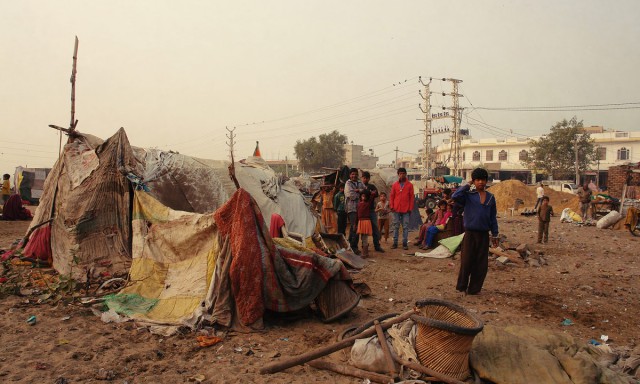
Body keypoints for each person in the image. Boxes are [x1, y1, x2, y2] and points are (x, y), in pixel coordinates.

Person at [452, 168, 499, 295]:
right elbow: (455, 196)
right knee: (466, 261)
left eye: (483, 180)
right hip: (470, 234)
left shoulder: (490, 198)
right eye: (477, 180)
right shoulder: (468, 196)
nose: (481, 182)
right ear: (474, 181)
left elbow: (492, 217)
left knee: (481, 264)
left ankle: (474, 289)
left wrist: (495, 234)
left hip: (483, 235)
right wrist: (467, 185)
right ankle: (462, 286)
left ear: (486, 181)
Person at [389, 167, 414, 250]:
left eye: (403, 173)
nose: (402, 175)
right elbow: (392, 196)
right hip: (396, 209)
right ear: (398, 175)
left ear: (405, 174)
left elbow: (411, 198)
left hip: (406, 209)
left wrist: (410, 208)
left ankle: (404, 244)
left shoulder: (410, 185)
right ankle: (395, 243)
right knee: (395, 226)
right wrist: (392, 206)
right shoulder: (395, 185)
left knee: (405, 227)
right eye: (400, 173)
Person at [361, 171, 384, 253]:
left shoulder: (372, 186)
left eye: (367, 178)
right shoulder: (360, 186)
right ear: (362, 178)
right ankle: (364, 246)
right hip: (363, 211)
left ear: (369, 178)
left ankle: (377, 246)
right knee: (363, 229)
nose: (365, 179)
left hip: (371, 210)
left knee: (375, 228)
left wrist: (370, 192)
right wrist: (370, 193)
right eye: (364, 178)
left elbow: (376, 193)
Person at [344, 168, 366, 253]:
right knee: (355, 227)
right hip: (351, 208)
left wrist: (359, 191)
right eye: (352, 174)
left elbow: (366, 191)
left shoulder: (360, 183)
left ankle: (350, 245)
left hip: (360, 209)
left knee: (355, 227)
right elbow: (350, 195)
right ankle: (354, 247)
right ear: (350, 175)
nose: (354, 175)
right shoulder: (348, 183)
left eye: (355, 174)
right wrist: (361, 194)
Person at [357, 191, 373, 257]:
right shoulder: (358, 204)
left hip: (366, 221)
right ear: (360, 197)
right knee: (362, 237)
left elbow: (371, 199)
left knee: (365, 238)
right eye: (362, 196)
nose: (363, 197)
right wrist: (356, 223)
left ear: (366, 197)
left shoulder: (368, 204)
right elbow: (357, 214)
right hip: (360, 221)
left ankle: (364, 253)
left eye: (365, 196)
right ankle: (366, 253)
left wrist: (371, 194)